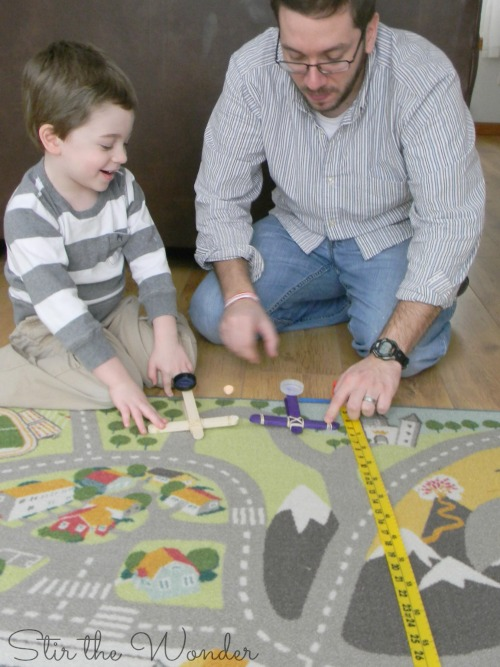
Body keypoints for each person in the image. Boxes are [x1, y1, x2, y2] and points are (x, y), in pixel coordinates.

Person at [189, 0, 484, 422]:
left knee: (401, 355)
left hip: (387, 235)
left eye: (333, 58)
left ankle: (417, 297)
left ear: (370, 33)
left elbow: (450, 220)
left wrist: (387, 353)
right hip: (298, 229)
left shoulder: (423, 77)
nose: (313, 80)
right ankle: (363, 302)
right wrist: (239, 295)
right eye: (294, 56)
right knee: (212, 313)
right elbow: (220, 194)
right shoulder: (252, 68)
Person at [0, 40, 196, 434]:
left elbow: (152, 263)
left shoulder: (123, 186)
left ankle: (111, 357)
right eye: (107, 145)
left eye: (124, 143)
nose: (122, 156)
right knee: (111, 390)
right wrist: (119, 381)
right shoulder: (28, 213)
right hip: (51, 328)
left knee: (179, 355)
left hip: (109, 313)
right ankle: (15, 370)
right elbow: (63, 312)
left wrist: (165, 340)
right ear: (53, 139)